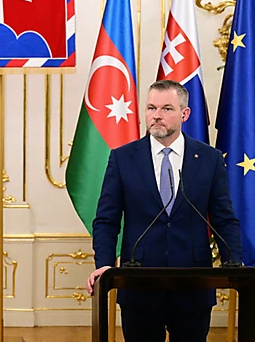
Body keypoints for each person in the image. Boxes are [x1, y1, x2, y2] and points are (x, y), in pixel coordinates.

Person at [86, 79, 242, 342]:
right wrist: (105, 265)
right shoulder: (123, 158)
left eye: (166, 108)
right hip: (138, 284)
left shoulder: (209, 158)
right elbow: (106, 220)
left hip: (193, 285)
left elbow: (224, 219)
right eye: (151, 108)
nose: (156, 115)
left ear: (184, 113)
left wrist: (234, 264)